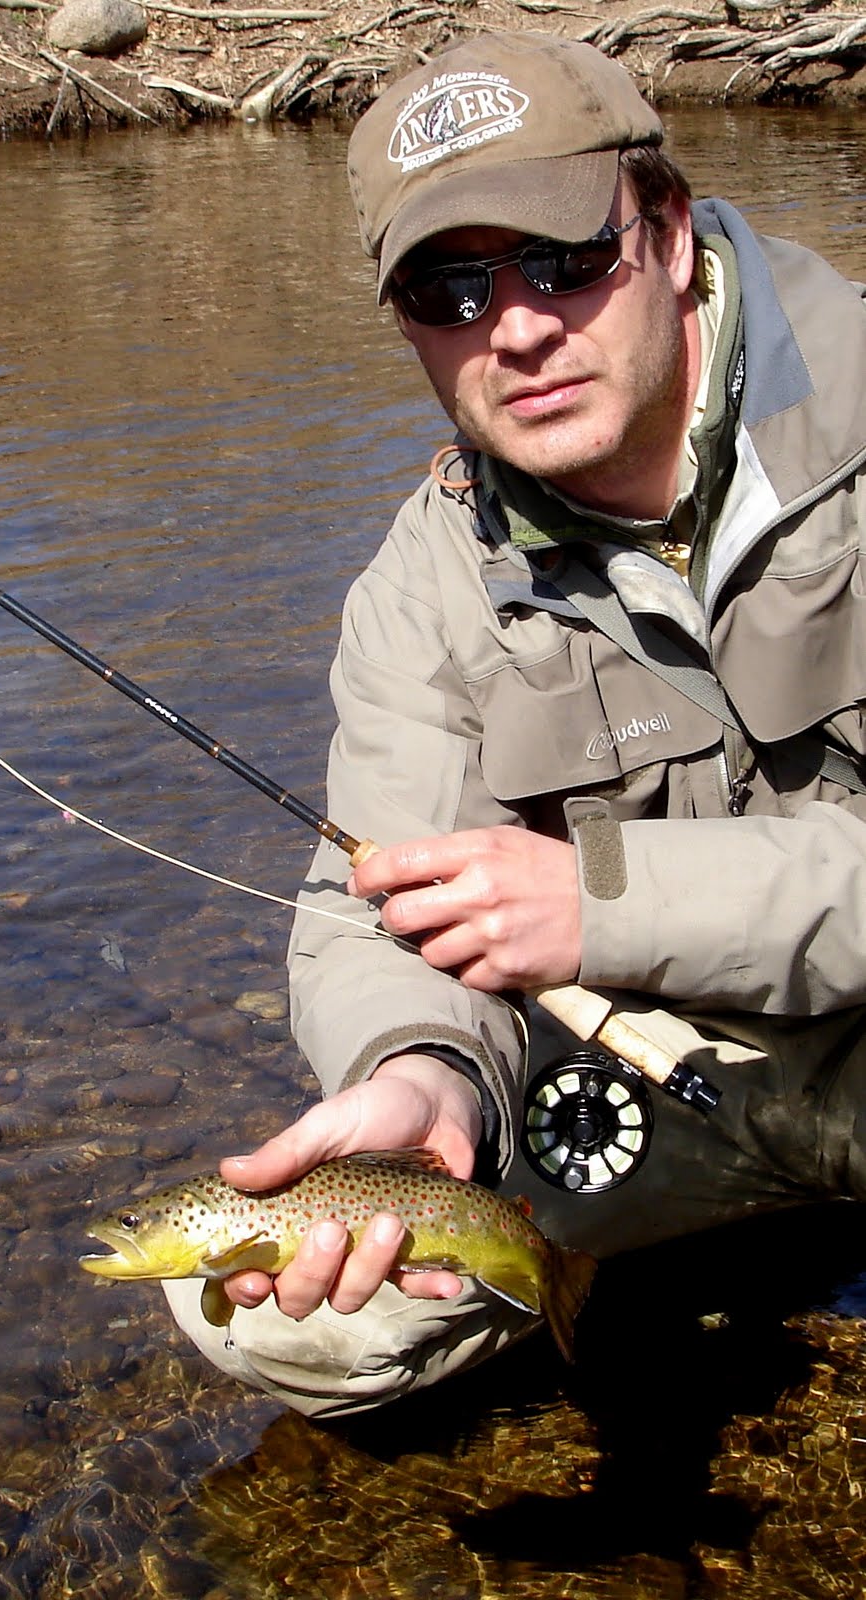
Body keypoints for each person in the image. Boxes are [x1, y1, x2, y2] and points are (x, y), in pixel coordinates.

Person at [164, 29, 866, 1417]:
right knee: (276, 1310)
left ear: (664, 231)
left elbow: (593, 902)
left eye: (562, 258)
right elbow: (374, 904)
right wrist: (424, 1077)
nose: (518, 325)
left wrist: (605, 898)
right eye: (448, 284)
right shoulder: (424, 588)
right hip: (659, 1085)